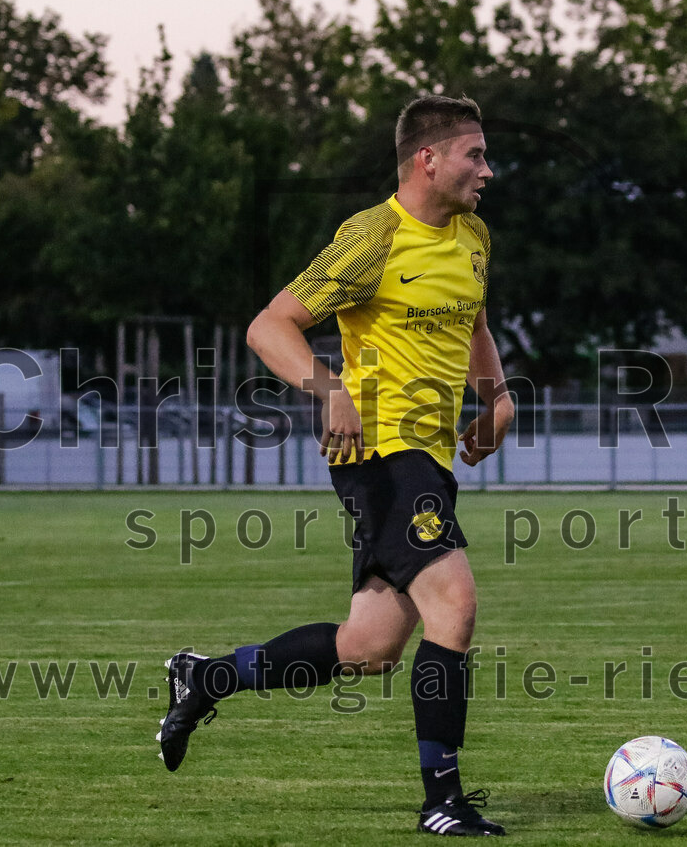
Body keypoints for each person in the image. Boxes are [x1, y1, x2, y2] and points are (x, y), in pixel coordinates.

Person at [156, 95, 514, 838]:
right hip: (382, 454)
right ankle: (442, 800)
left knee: (371, 646)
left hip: (430, 459)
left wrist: (500, 399)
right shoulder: (372, 236)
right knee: (456, 603)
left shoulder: (475, 236)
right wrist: (330, 388)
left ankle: (208, 676)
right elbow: (269, 325)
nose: (487, 169)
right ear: (429, 159)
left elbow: (475, 323)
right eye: (474, 155)